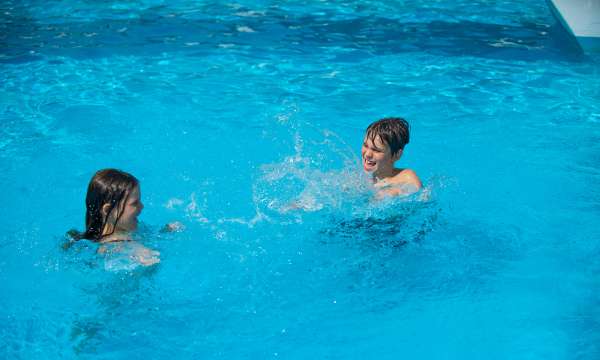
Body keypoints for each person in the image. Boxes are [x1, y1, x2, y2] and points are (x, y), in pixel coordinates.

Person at [67, 168, 160, 266]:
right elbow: (114, 249)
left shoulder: (85, 238)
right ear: (107, 210)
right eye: (134, 203)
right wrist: (137, 251)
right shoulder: (110, 248)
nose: (141, 206)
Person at [361, 117, 422, 197]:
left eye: (376, 150)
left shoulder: (406, 176)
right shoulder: (362, 179)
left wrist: (394, 192)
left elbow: (417, 189)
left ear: (397, 155)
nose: (368, 154)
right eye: (365, 145)